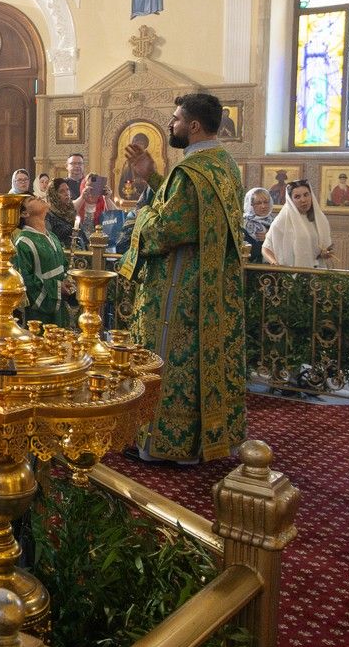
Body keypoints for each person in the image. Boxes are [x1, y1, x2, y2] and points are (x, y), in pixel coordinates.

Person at [118, 93, 246, 464]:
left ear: (193, 125)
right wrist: (152, 177)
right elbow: (186, 210)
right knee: (199, 363)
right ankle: (205, 441)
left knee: (169, 360)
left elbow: (167, 228)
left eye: (175, 119)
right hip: (210, 285)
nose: (170, 125)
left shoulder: (190, 171)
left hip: (180, 288)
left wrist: (139, 218)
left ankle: (166, 445)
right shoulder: (223, 165)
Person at [12, 194, 69, 326]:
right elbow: (26, 281)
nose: (38, 197)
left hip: (59, 305)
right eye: (32, 199)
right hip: (39, 315)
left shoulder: (52, 236)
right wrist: (58, 288)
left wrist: (67, 281)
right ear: (24, 213)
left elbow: (63, 265)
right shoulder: (23, 242)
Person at [263, 179, 333, 269]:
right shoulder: (282, 220)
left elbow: (323, 249)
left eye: (306, 195)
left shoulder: (320, 219)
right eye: (297, 197)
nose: (303, 200)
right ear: (290, 200)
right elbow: (266, 248)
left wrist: (325, 254)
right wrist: (275, 264)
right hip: (291, 272)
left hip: (316, 271)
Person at [242, 187, 274, 265]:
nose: (263, 206)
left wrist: (269, 238)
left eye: (266, 202)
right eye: (259, 203)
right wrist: (266, 241)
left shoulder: (275, 222)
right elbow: (249, 252)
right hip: (251, 267)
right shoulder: (243, 225)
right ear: (251, 205)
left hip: (274, 266)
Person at [45, 178, 77, 248]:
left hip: (79, 250)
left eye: (67, 189)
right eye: (62, 191)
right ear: (54, 195)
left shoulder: (71, 210)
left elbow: (81, 233)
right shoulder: (48, 215)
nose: (66, 193)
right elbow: (49, 240)